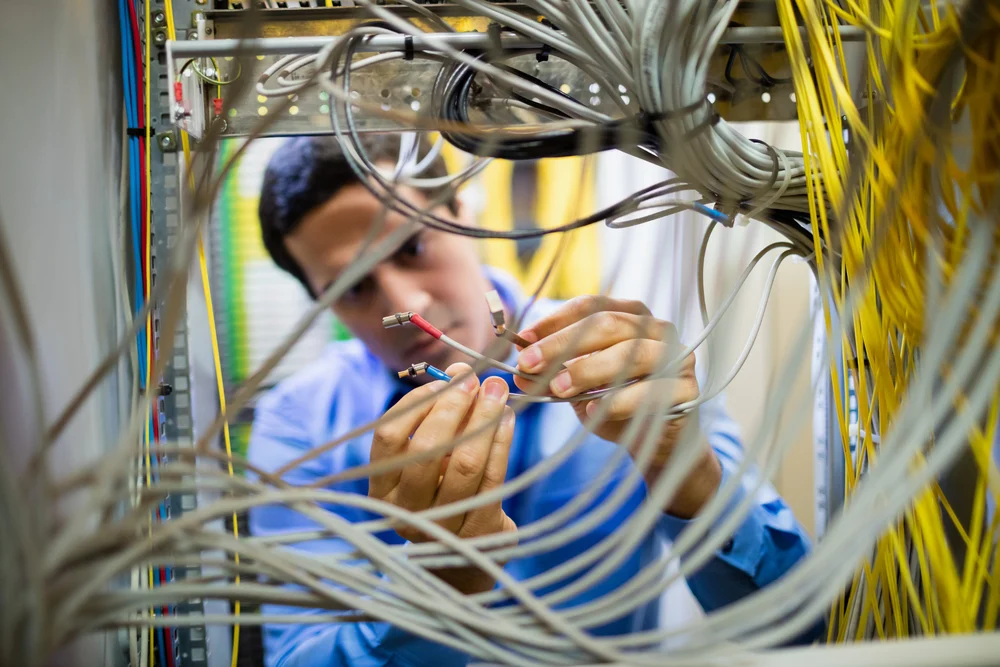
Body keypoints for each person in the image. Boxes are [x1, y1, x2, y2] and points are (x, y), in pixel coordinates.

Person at [249, 134, 819, 667]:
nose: (410, 301)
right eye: (353, 287)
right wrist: (437, 588)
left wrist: (685, 473)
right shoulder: (301, 424)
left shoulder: (624, 360)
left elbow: (798, 633)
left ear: (461, 211)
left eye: (412, 245)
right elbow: (300, 651)